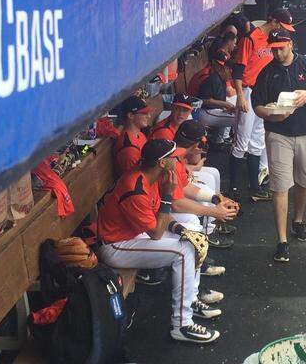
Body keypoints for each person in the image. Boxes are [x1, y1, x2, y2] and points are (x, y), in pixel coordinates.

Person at [95, 139, 221, 344]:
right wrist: (168, 195)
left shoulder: (151, 176)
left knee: (190, 239)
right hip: (116, 245)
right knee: (183, 251)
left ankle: (191, 300)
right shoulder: (135, 186)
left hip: (134, 235)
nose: (177, 159)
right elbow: (156, 231)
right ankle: (182, 324)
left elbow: (158, 218)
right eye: (172, 157)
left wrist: (182, 230)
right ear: (162, 163)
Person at [251, 29, 306, 264]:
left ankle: (298, 220)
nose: (277, 53)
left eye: (281, 48)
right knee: (280, 185)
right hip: (279, 133)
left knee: (305, 180)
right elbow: (257, 105)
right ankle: (282, 240)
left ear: (290, 44)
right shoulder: (267, 72)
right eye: (273, 49)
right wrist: (270, 113)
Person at [230, 7, 295, 202]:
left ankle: (254, 186)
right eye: (281, 25)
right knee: (242, 139)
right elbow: (238, 69)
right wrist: (240, 95)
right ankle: (233, 186)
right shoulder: (251, 38)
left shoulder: (277, 43)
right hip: (248, 91)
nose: (284, 30)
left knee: (257, 141)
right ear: (273, 21)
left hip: (264, 94)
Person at [168, 120, 239, 255]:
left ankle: (205, 239)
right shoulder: (172, 161)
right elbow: (176, 204)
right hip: (152, 214)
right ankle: (198, 253)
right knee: (193, 222)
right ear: (197, 145)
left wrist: (215, 199)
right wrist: (213, 212)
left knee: (197, 213)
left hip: (158, 208)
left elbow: (184, 186)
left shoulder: (176, 155)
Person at [196, 46, 238, 144]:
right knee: (240, 119)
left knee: (236, 112)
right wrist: (225, 105)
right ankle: (237, 145)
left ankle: (220, 140)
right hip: (203, 112)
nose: (231, 77)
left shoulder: (221, 78)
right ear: (226, 69)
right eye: (231, 73)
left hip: (212, 111)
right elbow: (204, 100)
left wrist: (226, 106)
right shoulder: (212, 78)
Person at [112, 94, 153, 177]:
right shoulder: (129, 150)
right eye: (144, 113)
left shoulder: (139, 134)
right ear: (130, 115)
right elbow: (137, 182)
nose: (149, 116)